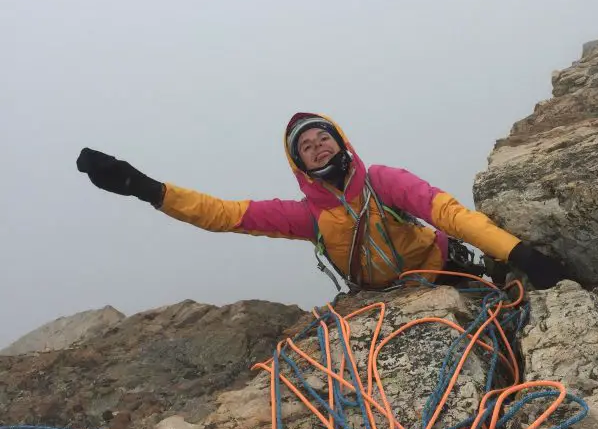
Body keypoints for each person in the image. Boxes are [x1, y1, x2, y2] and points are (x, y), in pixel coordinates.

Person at [76, 111, 568, 293]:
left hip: (445, 272)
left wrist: (517, 252)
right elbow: (222, 215)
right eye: (306, 147)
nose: (317, 147)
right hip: (378, 297)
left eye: (323, 138)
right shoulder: (308, 215)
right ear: (300, 165)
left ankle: (503, 274)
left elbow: (449, 215)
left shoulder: (382, 181)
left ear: (341, 142)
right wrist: (146, 188)